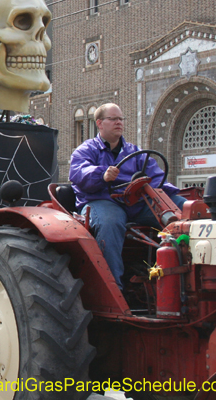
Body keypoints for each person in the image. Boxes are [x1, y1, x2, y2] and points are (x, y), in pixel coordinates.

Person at [69, 103, 186, 289]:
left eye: (121, 119)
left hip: (137, 204)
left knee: (182, 210)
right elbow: (79, 173)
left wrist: (172, 198)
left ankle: (184, 280)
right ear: (99, 123)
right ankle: (112, 288)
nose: (119, 123)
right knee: (111, 222)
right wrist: (102, 175)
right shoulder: (86, 150)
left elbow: (156, 177)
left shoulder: (135, 152)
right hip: (102, 201)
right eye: (113, 119)